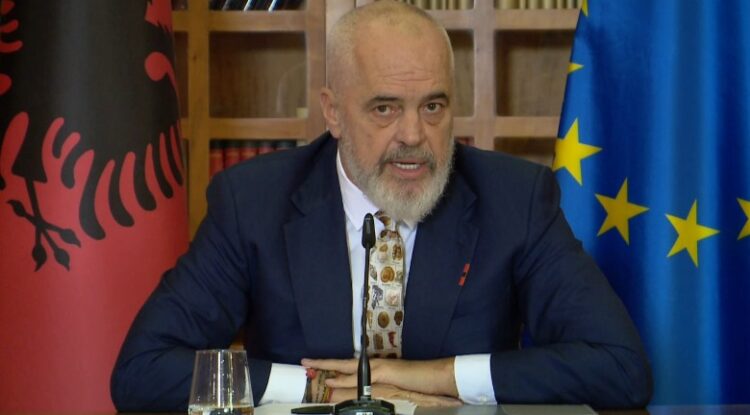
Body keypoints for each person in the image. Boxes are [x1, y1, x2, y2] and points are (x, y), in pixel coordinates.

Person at [111, 1, 652, 411]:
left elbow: (621, 369)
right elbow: (142, 371)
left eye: (433, 106)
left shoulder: (514, 198)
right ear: (333, 112)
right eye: (384, 109)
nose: (413, 135)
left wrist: (434, 378)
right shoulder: (253, 202)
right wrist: (319, 388)